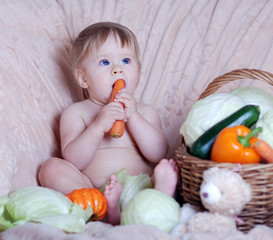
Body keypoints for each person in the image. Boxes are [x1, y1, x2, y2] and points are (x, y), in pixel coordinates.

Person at [38, 22, 178, 225]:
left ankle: (159, 195)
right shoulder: (76, 113)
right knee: (50, 168)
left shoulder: (145, 111)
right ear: (83, 78)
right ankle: (104, 210)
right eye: (105, 62)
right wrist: (97, 126)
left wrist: (134, 117)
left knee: (167, 168)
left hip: (141, 188)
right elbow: (74, 161)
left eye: (126, 60)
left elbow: (158, 152)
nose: (117, 69)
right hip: (95, 192)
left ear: (138, 71)